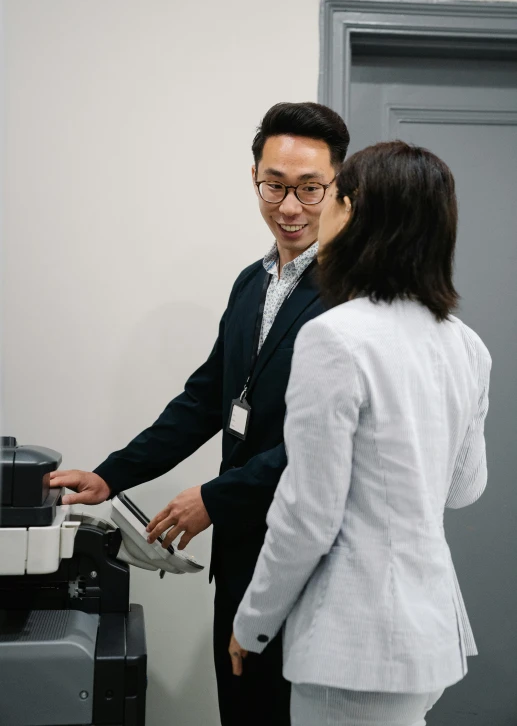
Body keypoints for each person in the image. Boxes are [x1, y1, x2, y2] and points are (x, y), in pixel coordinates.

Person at [49, 102, 351, 726]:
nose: (289, 207)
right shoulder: (251, 282)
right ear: (254, 178)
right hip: (240, 556)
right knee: (240, 711)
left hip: (311, 561)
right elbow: (204, 399)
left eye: (310, 189)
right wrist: (112, 475)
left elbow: (326, 442)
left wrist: (217, 497)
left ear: (338, 184)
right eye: (275, 186)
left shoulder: (353, 293)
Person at [231, 141, 491, 726]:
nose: (317, 213)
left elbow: (308, 515)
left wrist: (253, 621)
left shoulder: (334, 337)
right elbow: (463, 489)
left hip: (355, 642)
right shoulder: (466, 344)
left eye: (333, 199)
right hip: (429, 634)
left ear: (355, 212)